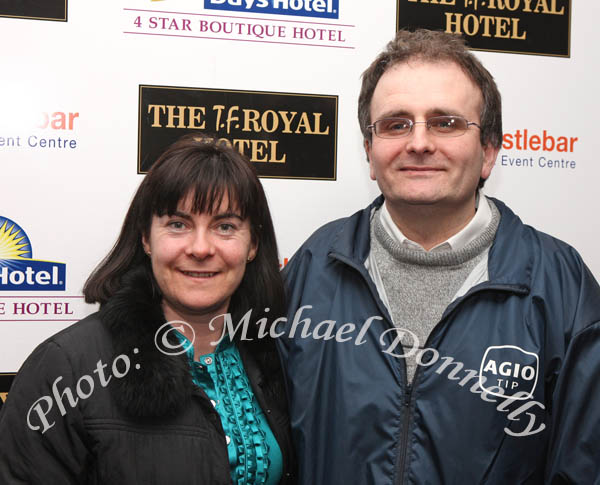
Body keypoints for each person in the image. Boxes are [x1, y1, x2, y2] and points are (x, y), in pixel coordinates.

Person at [279, 29, 600, 484]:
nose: (419, 142)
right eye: (396, 124)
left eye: (446, 122)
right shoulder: (313, 270)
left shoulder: (561, 286)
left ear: (489, 151)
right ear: (369, 153)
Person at [0, 136, 296, 484]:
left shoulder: (277, 356)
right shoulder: (65, 366)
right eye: (178, 224)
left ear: (252, 245)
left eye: (225, 226)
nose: (200, 248)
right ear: (145, 238)